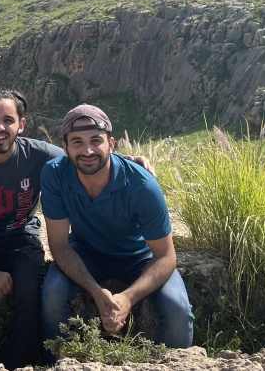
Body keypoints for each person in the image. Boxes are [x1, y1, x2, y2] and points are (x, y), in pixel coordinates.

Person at [0, 89, 154, 369]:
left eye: (8, 120)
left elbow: (82, 154)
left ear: (21, 125)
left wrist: (128, 161)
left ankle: (17, 363)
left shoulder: (39, 155)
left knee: (29, 287)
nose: (0, 127)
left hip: (19, 238)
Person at [40, 104, 193, 362]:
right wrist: (96, 292)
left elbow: (166, 256)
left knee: (177, 308)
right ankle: (56, 363)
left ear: (111, 144)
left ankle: (175, 364)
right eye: (77, 142)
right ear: (65, 148)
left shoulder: (142, 186)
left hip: (139, 256)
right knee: (52, 294)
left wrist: (127, 298)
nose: (87, 150)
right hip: (85, 251)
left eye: (95, 141)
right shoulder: (54, 175)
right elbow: (59, 243)